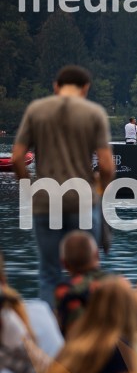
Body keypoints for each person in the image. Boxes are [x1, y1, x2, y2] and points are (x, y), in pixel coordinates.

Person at [12, 65, 113, 307]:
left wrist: (29, 189)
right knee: (87, 274)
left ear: (56, 87)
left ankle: (52, 337)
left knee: (49, 274)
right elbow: (108, 167)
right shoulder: (94, 113)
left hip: (46, 200)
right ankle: (88, 334)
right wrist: (99, 192)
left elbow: (16, 158)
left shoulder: (37, 111)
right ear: (85, 89)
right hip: (82, 201)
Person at [53, 231, 108, 336]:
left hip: (78, 348)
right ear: (97, 255)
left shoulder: (63, 291)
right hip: (117, 348)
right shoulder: (120, 283)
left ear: (64, 263)